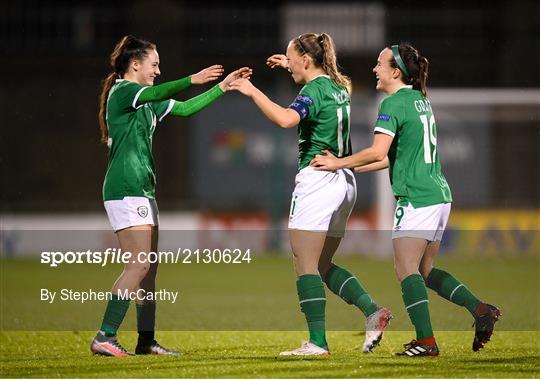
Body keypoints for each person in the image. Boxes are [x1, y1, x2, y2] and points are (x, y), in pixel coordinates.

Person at [310, 43, 501, 356]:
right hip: (439, 195)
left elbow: (377, 151)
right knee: (424, 271)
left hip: (417, 197)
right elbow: (390, 158)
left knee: (405, 269)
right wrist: (349, 165)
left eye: (379, 64)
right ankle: (480, 310)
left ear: (395, 71)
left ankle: (426, 342)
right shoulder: (419, 100)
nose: (374, 69)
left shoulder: (393, 103)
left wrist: (336, 163)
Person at [229, 32, 392, 356]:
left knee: (304, 262)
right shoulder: (338, 86)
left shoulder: (314, 89)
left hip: (318, 179)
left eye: (293, 59)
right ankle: (373, 311)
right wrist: (288, 61)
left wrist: (251, 90)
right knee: (322, 263)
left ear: (306, 59)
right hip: (345, 181)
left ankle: (317, 342)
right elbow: (315, 80)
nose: (288, 66)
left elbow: (286, 119)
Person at [91, 35, 251, 356]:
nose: (158, 71)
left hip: (143, 190)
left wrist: (222, 87)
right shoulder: (123, 92)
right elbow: (158, 91)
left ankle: (145, 341)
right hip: (126, 189)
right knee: (137, 266)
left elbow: (187, 108)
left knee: (148, 271)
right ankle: (105, 336)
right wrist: (192, 78)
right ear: (135, 64)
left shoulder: (146, 100)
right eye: (155, 64)